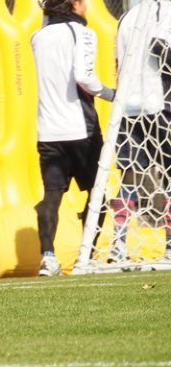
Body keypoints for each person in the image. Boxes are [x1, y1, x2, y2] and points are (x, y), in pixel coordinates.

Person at [31, 0, 115, 276]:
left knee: (52, 195)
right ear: (73, 4)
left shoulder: (38, 36)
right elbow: (85, 77)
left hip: (48, 131)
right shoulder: (83, 33)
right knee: (97, 193)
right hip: (81, 130)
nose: (87, 6)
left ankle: (48, 258)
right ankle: (85, 256)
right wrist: (113, 94)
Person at [110, 0, 171, 263]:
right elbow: (161, 47)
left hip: (127, 108)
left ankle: (118, 245)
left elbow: (118, 63)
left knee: (129, 178)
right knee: (168, 177)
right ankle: (169, 246)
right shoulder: (164, 9)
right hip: (158, 104)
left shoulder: (125, 18)